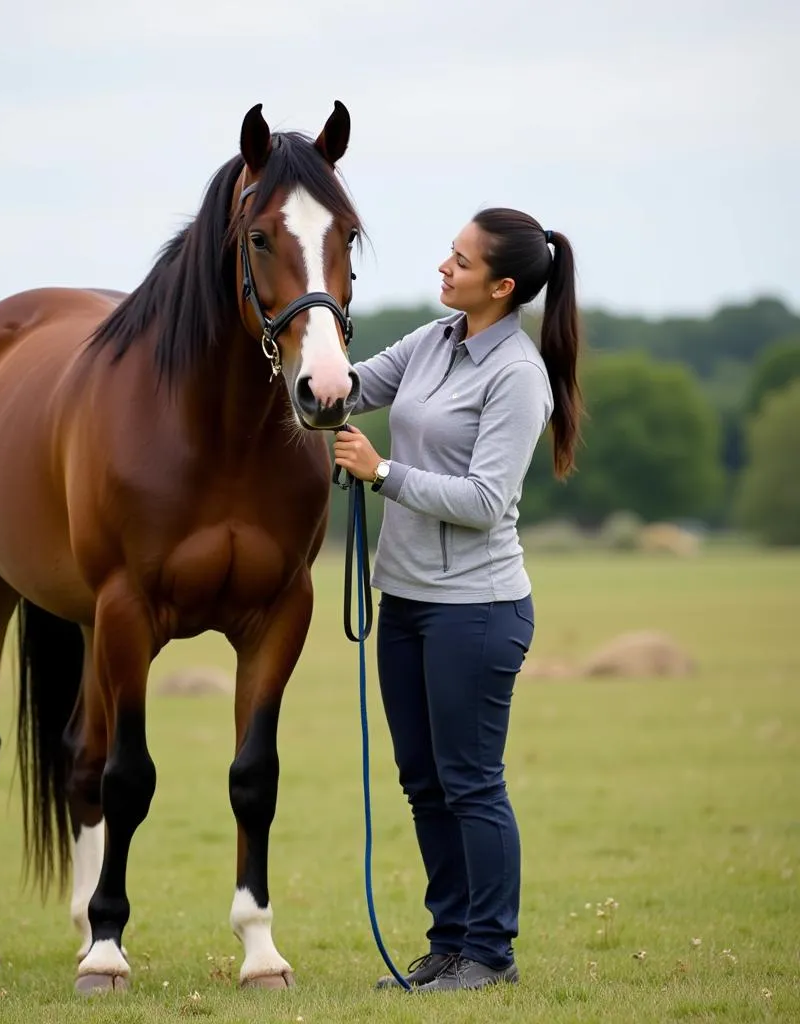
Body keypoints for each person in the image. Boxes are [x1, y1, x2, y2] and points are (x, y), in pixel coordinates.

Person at [333, 207, 582, 992]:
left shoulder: (518, 375)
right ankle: (448, 947)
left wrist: (382, 473)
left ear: (502, 287)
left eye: (462, 261)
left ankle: (491, 955)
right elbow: (350, 387)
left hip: (476, 610)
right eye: (450, 252)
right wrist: (297, 341)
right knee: (424, 782)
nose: (445, 266)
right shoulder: (433, 342)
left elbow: (482, 499)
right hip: (404, 603)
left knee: (471, 781)